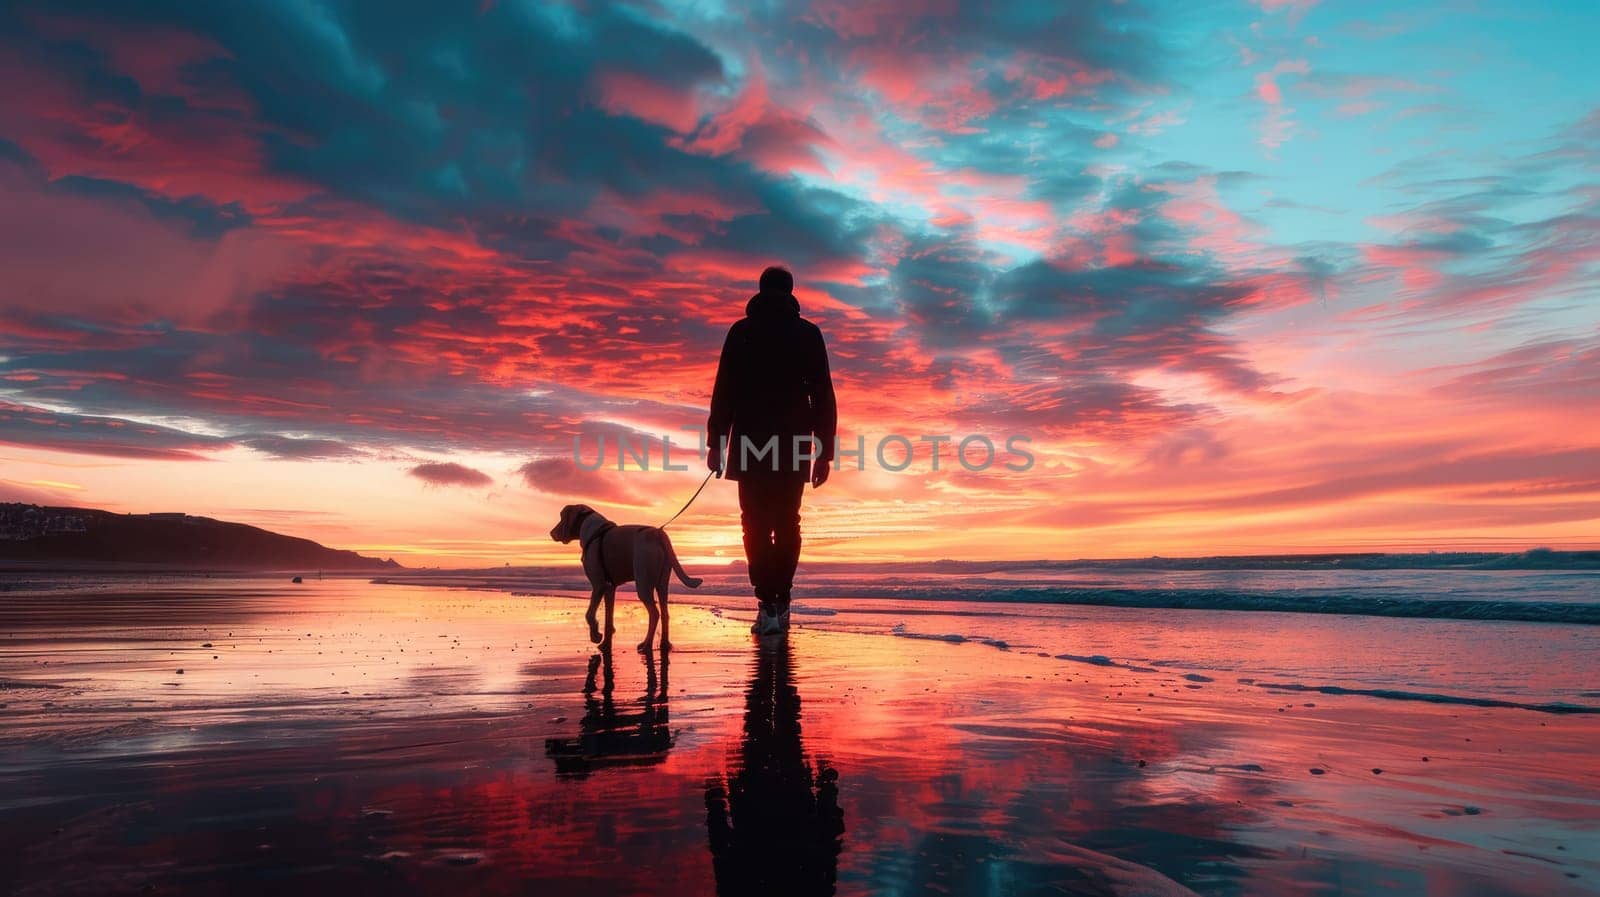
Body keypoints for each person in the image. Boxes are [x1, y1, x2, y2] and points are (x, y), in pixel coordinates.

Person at [707, 265, 837, 635]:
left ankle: (767, 603)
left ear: (760, 290)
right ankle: (781, 601)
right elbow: (823, 395)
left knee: (755, 524)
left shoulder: (742, 332)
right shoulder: (808, 333)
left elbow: (724, 392)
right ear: (791, 291)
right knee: (787, 522)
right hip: (794, 442)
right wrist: (824, 451)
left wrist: (716, 443)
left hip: (749, 441)